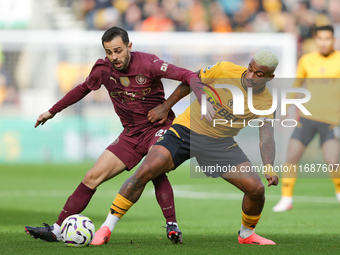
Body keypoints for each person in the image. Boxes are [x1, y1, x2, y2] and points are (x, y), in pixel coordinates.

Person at [24, 26, 210, 245]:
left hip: (158, 128)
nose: (114, 57)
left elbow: (188, 75)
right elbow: (82, 89)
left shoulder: (149, 63)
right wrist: (52, 111)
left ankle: (172, 225)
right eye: (109, 52)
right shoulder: (102, 69)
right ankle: (56, 230)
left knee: (152, 167)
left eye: (119, 51)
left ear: (129, 46)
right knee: (91, 177)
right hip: (130, 134)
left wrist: (173, 104)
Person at [92, 49, 280, 245]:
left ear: (270, 77)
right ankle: (107, 227)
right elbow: (191, 81)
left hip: (220, 143)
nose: (250, 76)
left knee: (256, 189)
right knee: (146, 170)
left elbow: (266, 136)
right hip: (185, 131)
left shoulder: (267, 102)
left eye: (258, 74)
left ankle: (247, 234)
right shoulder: (224, 69)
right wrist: (166, 106)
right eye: (249, 69)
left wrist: (269, 167)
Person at [272, 25, 340, 212]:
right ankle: (286, 198)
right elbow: (297, 84)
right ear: (315, 40)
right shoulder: (307, 60)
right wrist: (285, 109)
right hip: (307, 119)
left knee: (332, 160)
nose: (324, 42)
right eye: (321, 38)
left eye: (328, 38)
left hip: (331, 120)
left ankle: (339, 192)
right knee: (291, 156)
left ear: (333, 40)